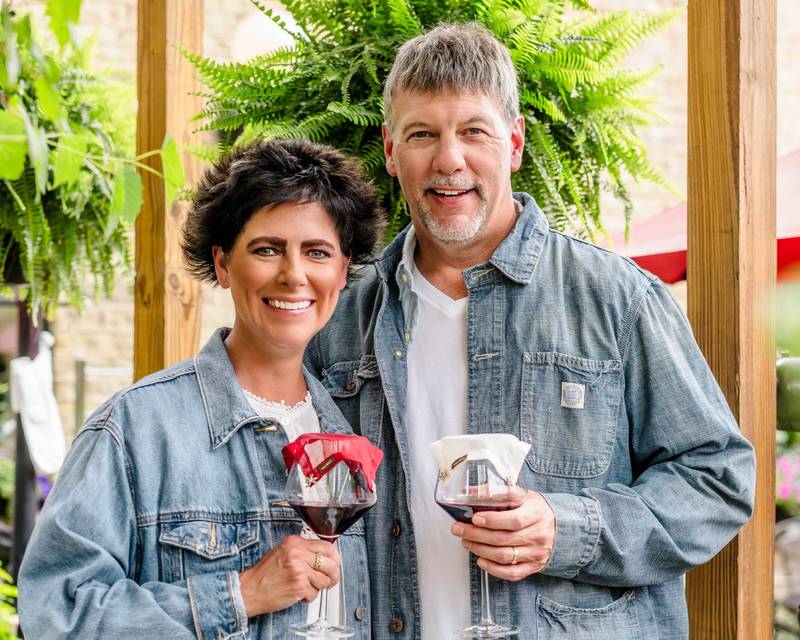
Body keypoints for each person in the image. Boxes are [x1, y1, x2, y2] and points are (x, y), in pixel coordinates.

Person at [305, 23, 756, 639]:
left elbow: (718, 478)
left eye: (473, 132)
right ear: (389, 150)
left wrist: (566, 527)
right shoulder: (342, 312)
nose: (449, 159)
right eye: (422, 134)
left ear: (514, 144)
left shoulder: (617, 298)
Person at [18, 139, 385, 639]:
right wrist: (242, 593)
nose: (293, 274)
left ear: (342, 273)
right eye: (267, 249)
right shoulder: (135, 431)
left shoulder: (356, 433)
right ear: (222, 263)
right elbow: (55, 616)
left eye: (317, 252)